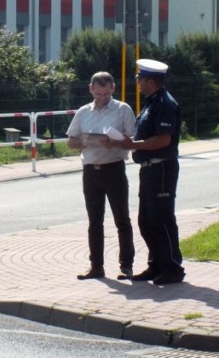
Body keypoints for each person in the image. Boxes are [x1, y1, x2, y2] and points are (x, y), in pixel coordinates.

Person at [113, 59, 185, 285]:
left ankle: (172, 267)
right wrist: (127, 142)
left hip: (162, 167)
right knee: (146, 220)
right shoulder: (151, 102)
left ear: (151, 81)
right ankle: (156, 264)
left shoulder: (165, 103)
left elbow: (163, 139)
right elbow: (145, 135)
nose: (138, 83)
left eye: (140, 79)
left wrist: (133, 145)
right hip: (149, 169)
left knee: (162, 219)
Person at [66, 71, 136, 281]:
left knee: (121, 219)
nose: (102, 98)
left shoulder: (122, 109)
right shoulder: (83, 112)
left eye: (106, 94)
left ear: (113, 89)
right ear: (91, 90)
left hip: (114, 168)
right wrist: (84, 141)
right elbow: (71, 141)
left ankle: (126, 265)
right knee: (94, 221)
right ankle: (96, 266)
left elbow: (133, 138)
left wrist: (114, 141)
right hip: (91, 171)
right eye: (98, 94)